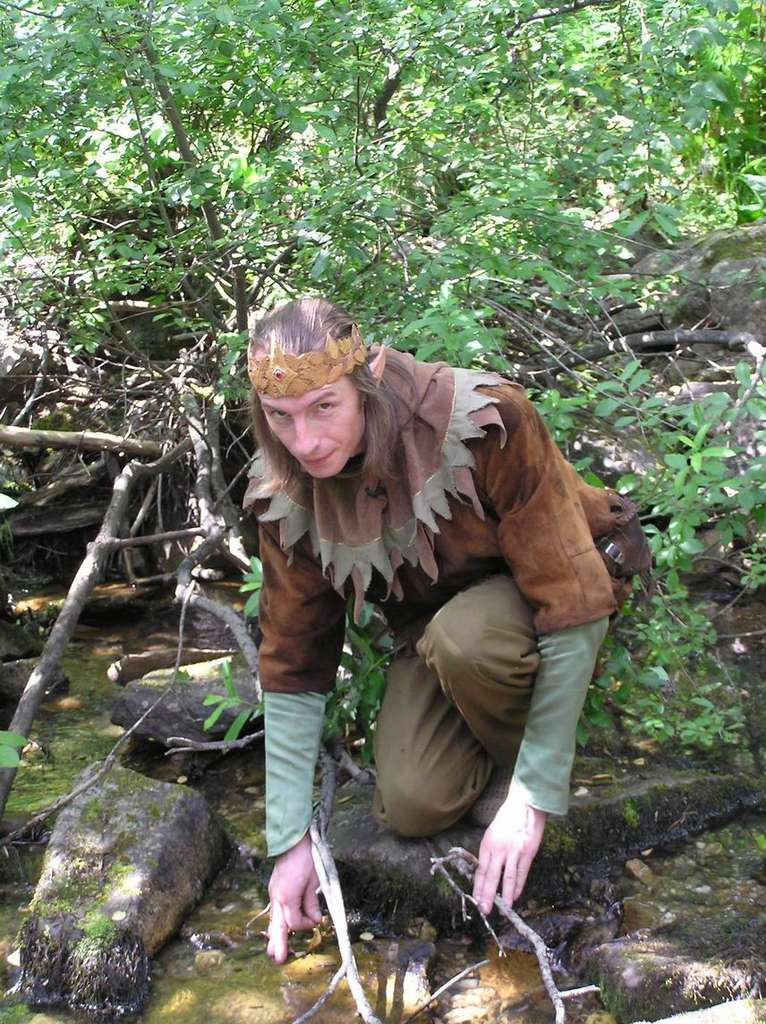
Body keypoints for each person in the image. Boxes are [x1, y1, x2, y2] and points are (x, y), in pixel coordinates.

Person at [244, 296, 627, 965]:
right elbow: (293, 662)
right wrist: (290, 841)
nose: (304, 441)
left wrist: (532, 797)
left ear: (365, 381)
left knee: (466, 638)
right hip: (433, 634)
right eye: (281, 417)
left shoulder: (486, 420)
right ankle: (503, 746)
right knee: (412, 804)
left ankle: (527, 766)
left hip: (542, 596)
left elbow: (574, 601)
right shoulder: (285, 491)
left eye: (324, 407)